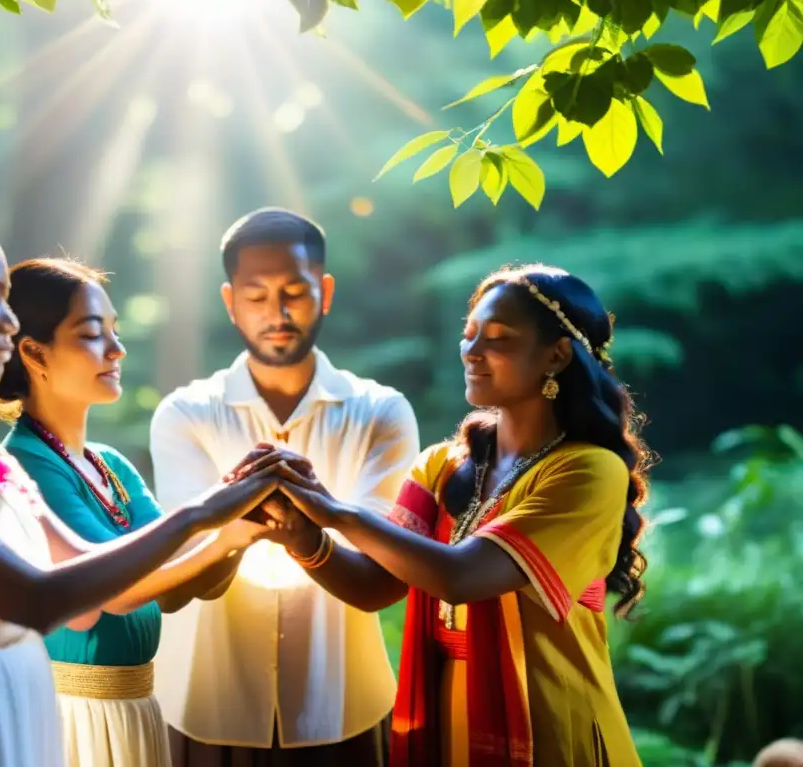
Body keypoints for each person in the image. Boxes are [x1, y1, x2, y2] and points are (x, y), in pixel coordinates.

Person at [0, 204, 281, 767]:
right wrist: (203, 513)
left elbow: (89, 566)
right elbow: (34, 599)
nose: (9, 322)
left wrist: (235, 508)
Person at [238, 264, 650, 766]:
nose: (471, 351)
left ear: (556, 356)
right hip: (448, 712)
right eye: (468, 334)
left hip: (549, 722)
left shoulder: (588, 471)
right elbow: (375, 586)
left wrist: (336, 512)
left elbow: (462, 576)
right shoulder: (443, 464)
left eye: (497, 338)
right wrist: (301, 533)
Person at [149, 207, 421, 766]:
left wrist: (296, 532)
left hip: (341, 700)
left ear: (325, 290)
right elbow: (187, 567)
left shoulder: (380, 412)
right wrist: (243, 528)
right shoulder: (186, 414)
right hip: (210, 699)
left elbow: (380, 564)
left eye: (295, 291)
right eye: (255, 295)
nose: (277, 312)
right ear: (230, 302)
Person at [0, 257, 273, 767]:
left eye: (115, 332)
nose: (117, 350)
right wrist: (219, 527)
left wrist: (242, 529)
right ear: (34, 352)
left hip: (134, 704)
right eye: (93, 334)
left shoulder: (112, 464)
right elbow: (112, 593)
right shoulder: (22, 465)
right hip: (71, 714)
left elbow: (182, 585)